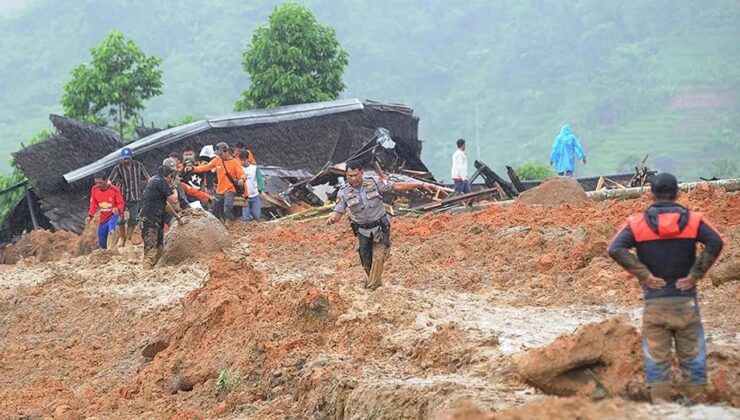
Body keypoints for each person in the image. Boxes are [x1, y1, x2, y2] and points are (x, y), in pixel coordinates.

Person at [608, 173, 724, 403]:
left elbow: (615, 248)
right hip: (686, 303)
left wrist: (645, 275)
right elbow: (717, 241)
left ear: (650, 194)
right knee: (693, 359)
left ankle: (661, 407)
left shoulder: (637, 224)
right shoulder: (694, 221)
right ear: (678, 192)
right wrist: (694, 275)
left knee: (656, 362)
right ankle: (697, 407)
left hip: (655, 304)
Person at [326, 160, 437, 290]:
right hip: (362, 230)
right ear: (346, 175)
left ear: (361, 172)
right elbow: (338, 213)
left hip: (380, 226)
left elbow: (397, 186)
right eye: (350, 176)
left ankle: (372, 288)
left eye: (356, 175)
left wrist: (421, 184)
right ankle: (375, 283)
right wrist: (332, 219)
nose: (354, 178)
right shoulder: (343, 192)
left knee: (378, 257)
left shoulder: (374, 182)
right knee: (366, 263)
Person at [139, 166, 183, 269]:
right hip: (150, 220)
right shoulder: (160, 182)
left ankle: (152, 271)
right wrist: (174, 186)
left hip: (156, 220)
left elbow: (165, 204)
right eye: (171, 177)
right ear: (168, 176)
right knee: (151, 251)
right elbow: (174, 199)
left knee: (159, 249)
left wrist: (178, 218)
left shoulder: (155, 181)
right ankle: (146, 274)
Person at [190, 142, 245, 223]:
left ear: (226, 151)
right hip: (219, 190)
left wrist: (242, 179)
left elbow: (242, 173)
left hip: (230, 189)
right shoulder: (217, 160)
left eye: (220, 153)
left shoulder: (235, 162)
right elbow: (206, 167)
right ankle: (215, 224)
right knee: (213, 209)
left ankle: (230, 223)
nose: (219, 155)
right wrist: (193, 169)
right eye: (218, 154)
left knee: (227, 208)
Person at [109, 147, 149, 247]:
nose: (126, 160)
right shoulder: (118, 168)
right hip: (122, 196)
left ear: (131, 157)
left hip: (135, 196)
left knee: (133, 218)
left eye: (128, 158)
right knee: (120, 219)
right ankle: (122, 237)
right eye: (124, 158)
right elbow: (111, 182)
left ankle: (129, 238)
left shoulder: (138, 165)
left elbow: (147, 177)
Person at [85, 172, 124, 250]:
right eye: (97, 183)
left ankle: (111, 250)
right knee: (102, 241)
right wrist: (90, 216)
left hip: (114, 215)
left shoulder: (114, 190)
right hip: (103, 218)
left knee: (112, 231)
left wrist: (117, 209)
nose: (99, 185)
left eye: (100, 182)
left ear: (106, 180)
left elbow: (121, 203)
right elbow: (93, 204)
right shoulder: (94, 189)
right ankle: (106, 253)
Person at [240, 151, 265, 222]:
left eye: (244, 160)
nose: (243, 162)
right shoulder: (239, 169)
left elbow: (259, 179)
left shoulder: (254, 168)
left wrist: (262, 191)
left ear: (248, 159)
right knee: (245, 217)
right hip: (245, 197)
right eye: (241, 160)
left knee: (256, 215)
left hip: (254, 195)